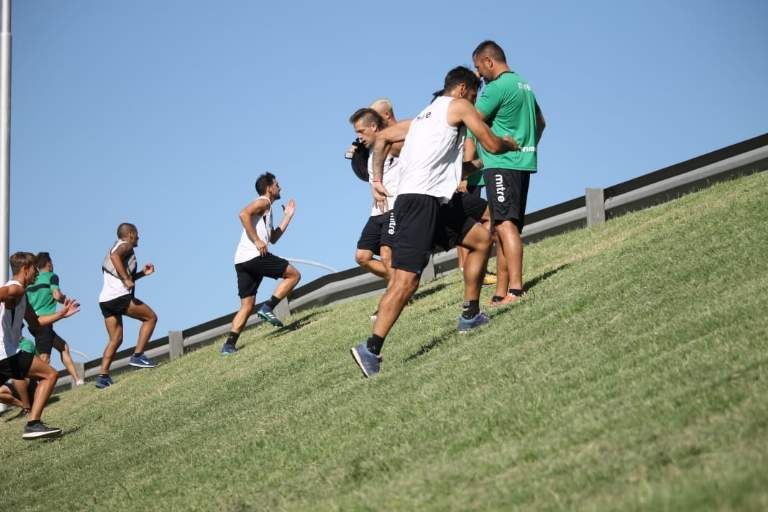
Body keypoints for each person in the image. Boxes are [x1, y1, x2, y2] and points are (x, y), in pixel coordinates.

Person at [350, 66, 519, 378]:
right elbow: (492, 144)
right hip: (419, 202)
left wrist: (376, 180)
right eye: (475, 94)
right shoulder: (458, 106)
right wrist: (508, 143)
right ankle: (370, 349)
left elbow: (383, 138)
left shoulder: (423, 117)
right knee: (407, 281)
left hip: (434, 200)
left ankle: (470, 315)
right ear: (463, 89)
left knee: (481, 240)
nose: (475, 101)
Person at [472, 40, 546, 305]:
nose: (479, 74)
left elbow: (471, 120)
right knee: (504, 226)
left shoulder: (496, 88)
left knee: (504, 225)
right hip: (522, 163)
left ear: (489, 61)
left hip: (501, 163)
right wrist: (527, 148)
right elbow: (541, 122)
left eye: (479, 67)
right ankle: (500, 292)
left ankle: (515, 290)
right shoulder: (524, 84)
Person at [0, 252, 80, 439]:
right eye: (34, 270)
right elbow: (6, 293)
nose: (37, 273)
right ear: (25, 269)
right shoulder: (16, 288)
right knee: (50, 375)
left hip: (6, 354)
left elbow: (36, 323)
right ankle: (33, 424)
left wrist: (61, 314)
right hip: (7, 354)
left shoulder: (23, 295)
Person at [221, 172, 301, 354]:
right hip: (254, 256)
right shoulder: (264, 202)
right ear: (269, 188)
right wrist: (257, 240)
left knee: (247, 305)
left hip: (241, 261)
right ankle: (268, 308)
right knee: (294, 275)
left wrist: (287, 216)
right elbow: (243, 214)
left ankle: (229, 345)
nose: (280, 187)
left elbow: (273, 238)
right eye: (277, 185)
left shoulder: (267, 209)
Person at [95, 223, 158, 388]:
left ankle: (103, 376)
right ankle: (138, 356)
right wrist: (125, 279)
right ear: (130, 234)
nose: (138, 237)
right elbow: (116, 258)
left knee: (115, 339)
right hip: (119, 297)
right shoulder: (125, 246)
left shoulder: (114, 247)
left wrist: (142, 274)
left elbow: (120, 276)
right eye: (136, 234)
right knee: (151, 318)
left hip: (105, 300)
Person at [349, 107, 402, 284]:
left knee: (387, 254)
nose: (359, 136)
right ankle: (401, 283)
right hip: (377, 211)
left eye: (361, 131)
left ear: (373, 126)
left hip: (395, 206)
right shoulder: (369, 150)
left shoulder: (392, 143)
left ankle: (398, 291)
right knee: (362, 256)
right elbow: (365, 175)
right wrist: (354, 154)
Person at [25, 252, 84, 385]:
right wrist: (65, 300)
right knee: (44, 360)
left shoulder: (32, 280)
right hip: (45, 323)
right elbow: (56, 295)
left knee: (63, 347)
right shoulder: (52, 276)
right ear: (49, 263)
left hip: (33, 322)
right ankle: (33, 389)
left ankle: (78, 380)